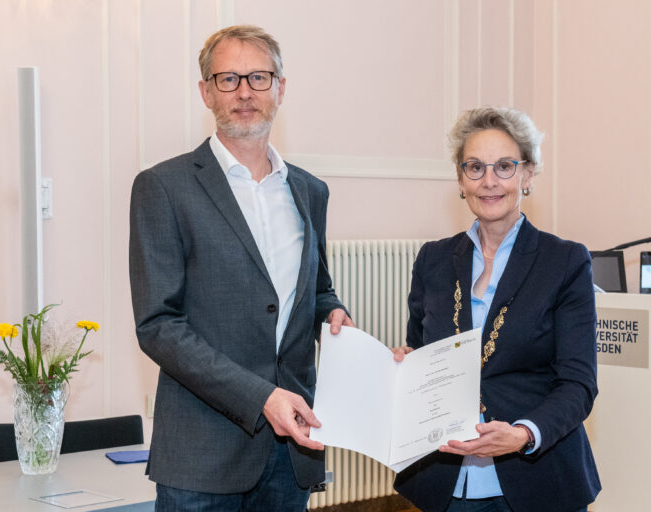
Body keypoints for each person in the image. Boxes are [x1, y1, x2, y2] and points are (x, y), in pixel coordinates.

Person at [129, 25, 353, 512]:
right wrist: (260, 397)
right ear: (206, 91)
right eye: (228, 79)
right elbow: (158, 326)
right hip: (202, 456)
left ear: (281, 88)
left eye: (258, 77)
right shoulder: (162, 187)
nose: (245, 91)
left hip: (291, 450)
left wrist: (332, 312)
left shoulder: (311, 191)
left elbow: (316, 290)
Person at [392, 106, 601, 512]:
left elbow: (579, 383)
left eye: (505, 166)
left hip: (537, 480)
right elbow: (420, 352)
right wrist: (407, 367)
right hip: (445, 480)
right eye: (475, 167)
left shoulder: (566, 261)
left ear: (528, 175)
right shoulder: (432, 260)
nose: (490, 181)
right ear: (460, 179)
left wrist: (523, 433)